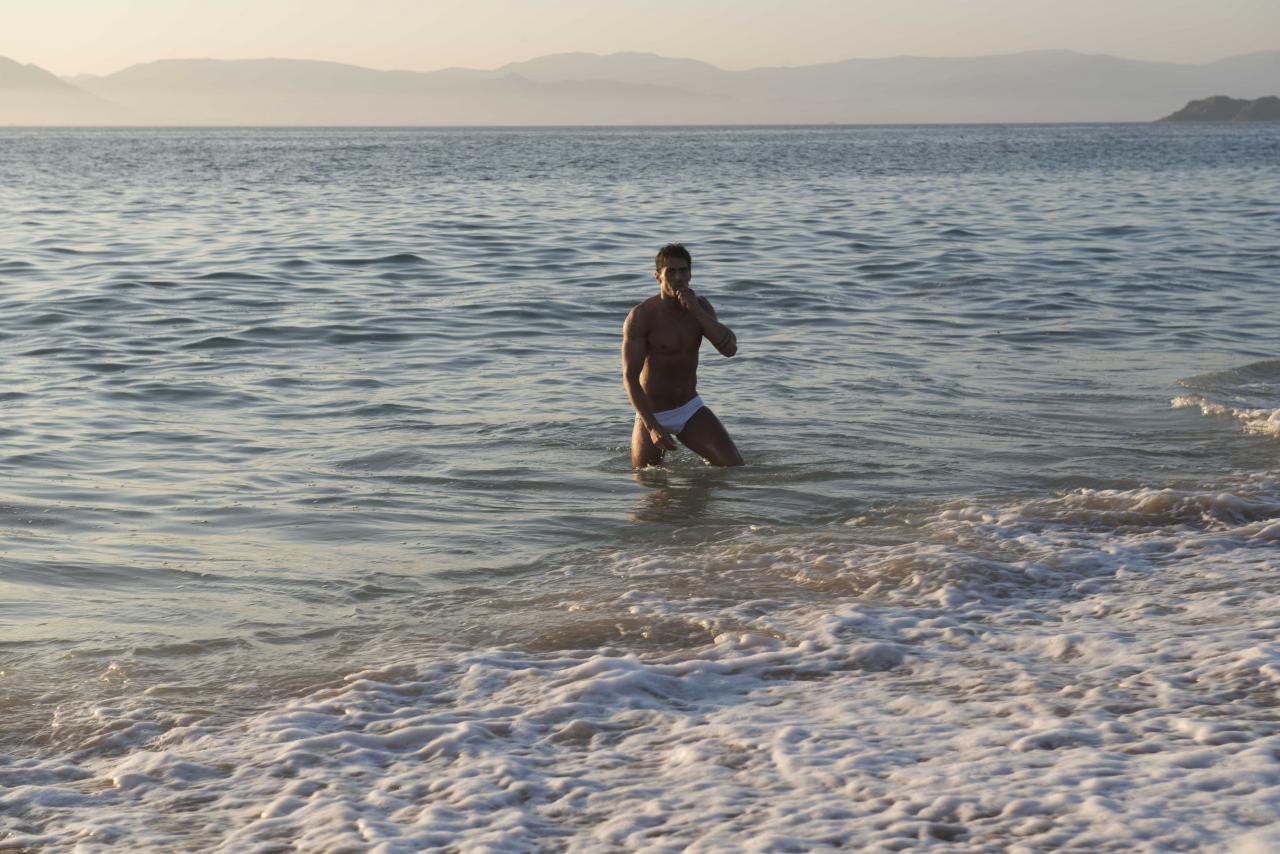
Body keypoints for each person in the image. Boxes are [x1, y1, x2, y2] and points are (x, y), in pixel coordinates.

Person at [622, 244, 744, 468]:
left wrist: (696, 312)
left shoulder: (701, 307)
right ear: (658, 276)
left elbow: (730, 350)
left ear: (690, 274)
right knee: (646, 482)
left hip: (690, 409)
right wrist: (653, 427)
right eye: (671, 271)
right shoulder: (641, 316)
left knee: (733, 468)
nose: (678, 278)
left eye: (683, 271)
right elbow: (630, 378)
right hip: (652, 413)